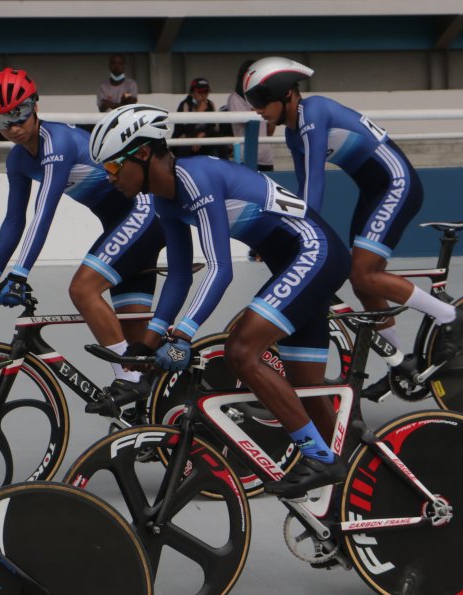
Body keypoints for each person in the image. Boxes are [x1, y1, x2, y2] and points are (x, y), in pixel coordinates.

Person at [91, 103, 351, 496]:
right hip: (295, 261)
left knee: (241, 350)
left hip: (315, 252)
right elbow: (179, 275)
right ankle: (353, 480)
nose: (108, 178)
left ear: (143, 154)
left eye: (112, 168)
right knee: (306, 393)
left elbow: (219, 269)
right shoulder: (164, 199)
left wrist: (182, 337)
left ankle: (318, 456)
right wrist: (145, 346)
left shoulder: (196, 179)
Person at [242, 56, 463, 391]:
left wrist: (291, 234)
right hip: (374, 191)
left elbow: (314, 187)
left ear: (285, 94)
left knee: (363, 273)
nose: (255, 110)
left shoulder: (313, 113)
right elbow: (305, 197)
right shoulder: (294, 135)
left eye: (260, 100)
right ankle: (400, 362)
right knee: (362, 282)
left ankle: (449, 316)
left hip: (397, 184)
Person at [0, 68, 165, 410]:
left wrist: (18, 275)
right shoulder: (18, 159)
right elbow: (14, 219)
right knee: (135, 338)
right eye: (0, 120)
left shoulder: (56, 142)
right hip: (124, 225)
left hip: (144, 214)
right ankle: (155, 419)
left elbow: (43, 212)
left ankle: (129, 379)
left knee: (82, 289)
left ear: (35, 106)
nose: (13, 127)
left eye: (18, 114)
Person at [226, 59, 275, 172]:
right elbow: (247, 119)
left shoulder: (263, 99)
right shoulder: (235, 98)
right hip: (245, 156)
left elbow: (269, 131)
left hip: (266, 157)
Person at [173, 77, 227, 158]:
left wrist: (202, 135)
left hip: (203, 140)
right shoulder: (185, 105)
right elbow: (182, 129)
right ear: (192, 92)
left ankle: (224, 165)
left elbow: (213, 127)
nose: (203, 95)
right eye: (200, 92)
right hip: (187, 141)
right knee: (184, 141)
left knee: (220, 138)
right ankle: (182, 166)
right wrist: (199, 112)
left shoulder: (210, 104)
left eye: (206, 92)